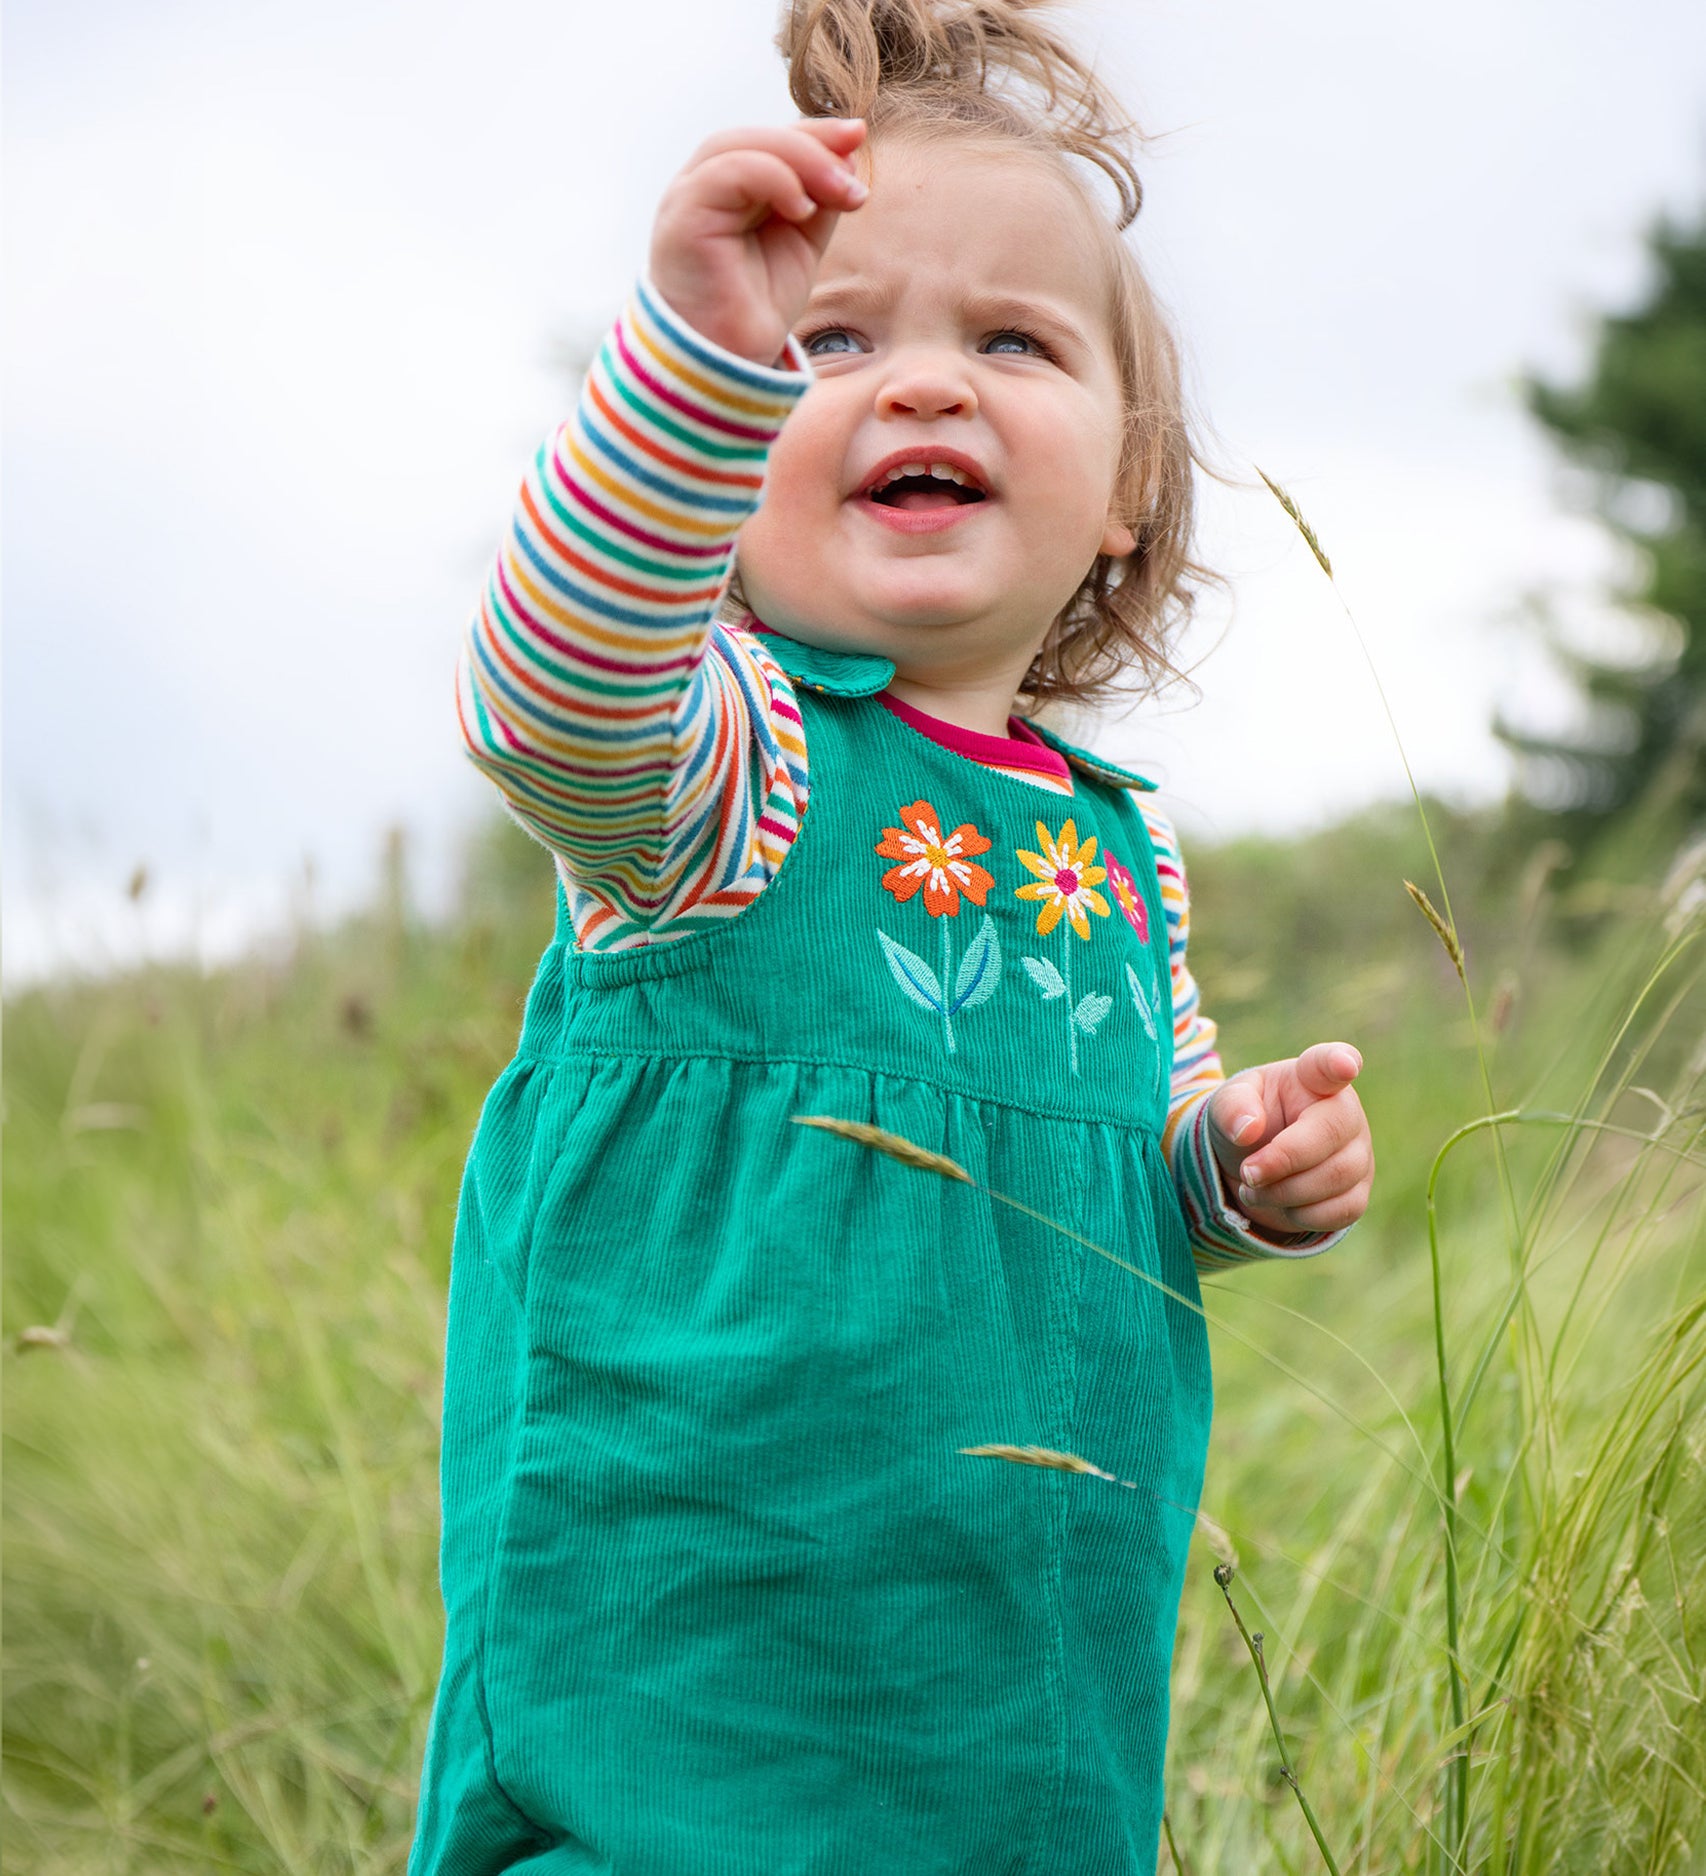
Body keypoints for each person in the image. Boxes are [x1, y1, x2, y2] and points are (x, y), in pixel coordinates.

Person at [410, 2, 1374, 1870]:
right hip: (680, 1671)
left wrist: (1231, 1166)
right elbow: (547, 691)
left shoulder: (1117, 849)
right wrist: (697, 356)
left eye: (1010, 341)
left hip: (1010, 1663)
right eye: (827, 343)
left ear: (1123, 494)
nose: (916, 386)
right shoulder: (725, 774)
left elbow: (1121, 1152)